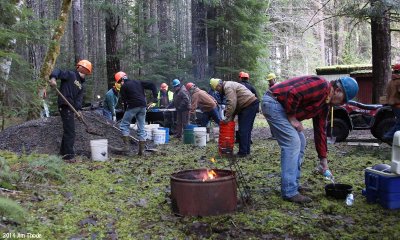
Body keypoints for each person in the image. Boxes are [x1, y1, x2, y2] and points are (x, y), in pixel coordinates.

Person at [261, 75, 359, 203]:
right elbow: (293, 93)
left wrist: (323, 159)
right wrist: (292, 118)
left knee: (301, 141)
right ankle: (289, 191)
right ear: (338, 91)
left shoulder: (324, 105)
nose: (341, 104)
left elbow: (320, 131)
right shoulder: (321, 85)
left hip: (281, 107)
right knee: (292, 142)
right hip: (273, 102)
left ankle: (293, 185)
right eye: (343, 100)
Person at [48, 59, 93, 161]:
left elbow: (78, 100)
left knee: (68, 130)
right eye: (83, 69)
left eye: (86, 71)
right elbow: (58, 71)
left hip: (71, 108)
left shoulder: (81, 86)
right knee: (70, 132)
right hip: (65, 105)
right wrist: (53, 78)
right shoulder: (70, 74)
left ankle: (63, 153)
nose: (84, 72)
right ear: (79, 68)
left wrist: (79, 111)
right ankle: (69, 156)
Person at [210, 78, 259, 157]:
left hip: (249, 105)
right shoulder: (228, 85)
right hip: (249, 105)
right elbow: (235, 105)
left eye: (217, 89)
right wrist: (231, 117)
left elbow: (232, 103)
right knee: (246, 130)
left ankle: (242, 153)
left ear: (219, 85)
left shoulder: (227, 87)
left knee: (243, 130)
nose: (218, 91)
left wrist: (227, 117)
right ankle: (246, 151)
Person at [118, 71, 158, 155]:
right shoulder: (138, 82)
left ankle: (126, 147)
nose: (119, 84)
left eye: (119, 82)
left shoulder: (123, 87)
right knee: (141, 127)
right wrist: (155, 97)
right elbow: (152, 84)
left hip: (133, 106)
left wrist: (126, 111)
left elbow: (124, 101)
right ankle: (141, 151)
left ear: (121, 80)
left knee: (124, 125)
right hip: (143, 106)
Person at [383, 64, 400, 143]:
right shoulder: (399, 81)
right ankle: (388, 136)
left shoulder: (391, 81)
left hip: (393, 105)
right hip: (398, 105)